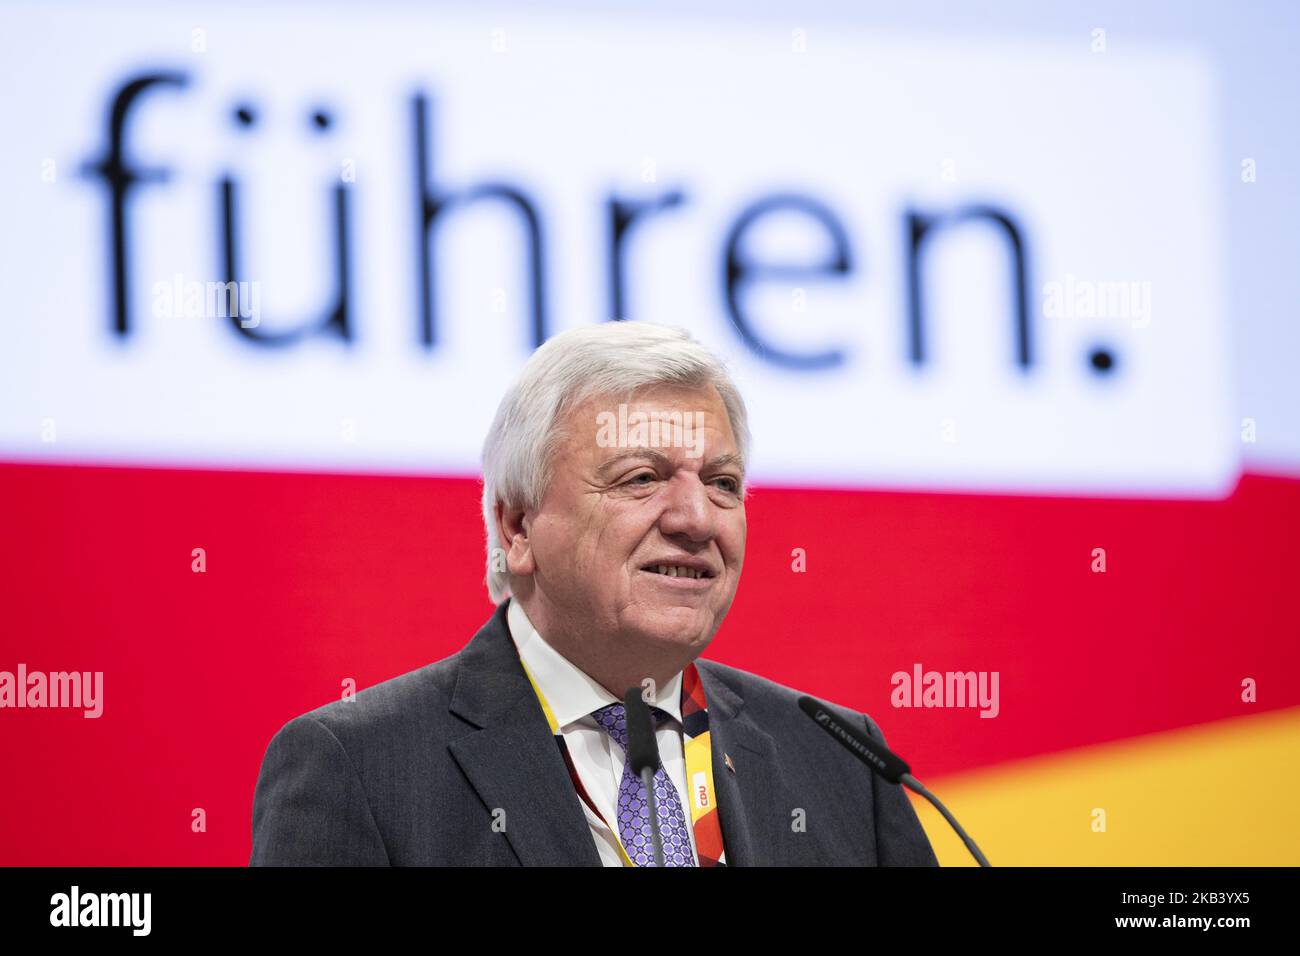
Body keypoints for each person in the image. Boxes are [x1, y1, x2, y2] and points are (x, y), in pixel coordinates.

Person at [250, 321, 938, 866]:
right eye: (641, 478)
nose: (697, 519)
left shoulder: (843, 761)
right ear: (518, 527)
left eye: (723, 484)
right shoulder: (361, 769)